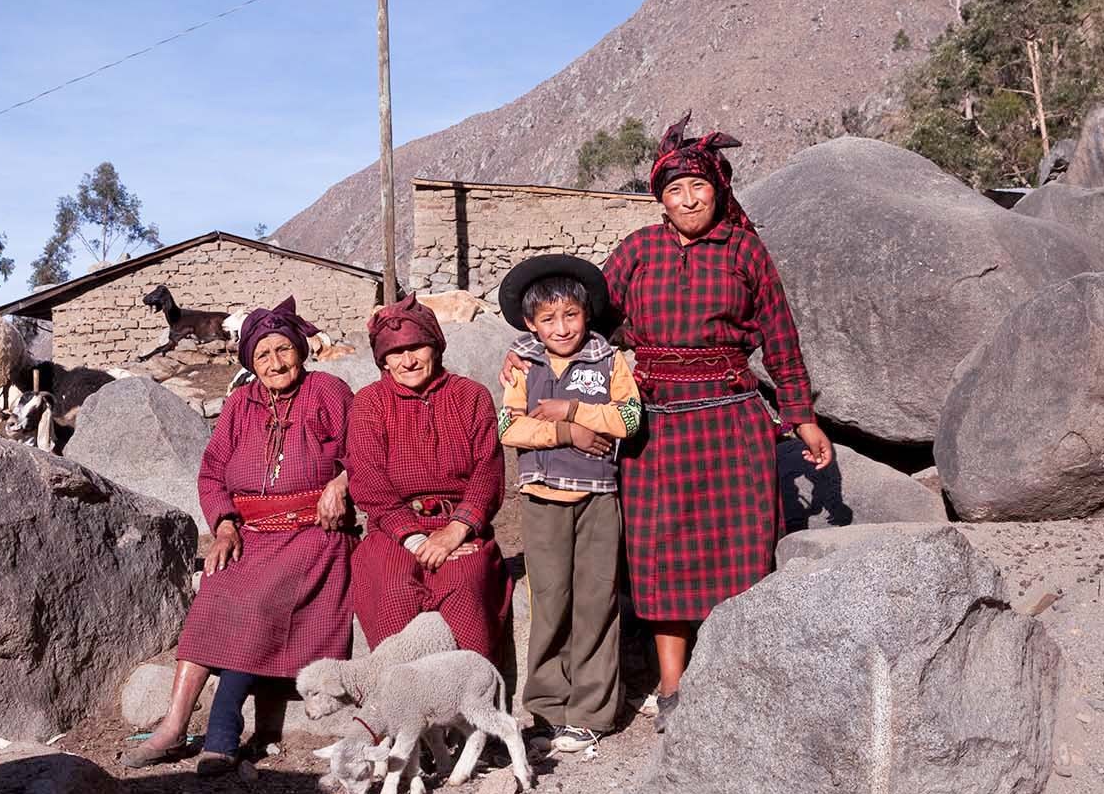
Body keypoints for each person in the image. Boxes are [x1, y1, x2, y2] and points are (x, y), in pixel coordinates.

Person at [587, 114, 830, 732]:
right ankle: (672, 688)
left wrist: (801, 418)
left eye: (698, 187)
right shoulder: (638, 251)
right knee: (659, 553)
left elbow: (780, 339)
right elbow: (584, 320)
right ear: (659, 198)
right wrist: (536, 355)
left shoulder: (746, 250)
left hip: (732, 420)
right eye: (674, 190)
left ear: (718, 190)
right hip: (655, 425)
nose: (687, 199)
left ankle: (737, 675)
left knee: (741, 550)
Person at [121, 298, 355, 775]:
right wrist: (224, 523)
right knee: (217, 589)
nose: (275, 362)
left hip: (311, 533)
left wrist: (341, 482)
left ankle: (223, 733)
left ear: (301, 351)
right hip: (250, 532)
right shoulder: (239, 403)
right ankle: (174, 724)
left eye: (283, 350)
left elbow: (365, 450)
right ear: (250, 361)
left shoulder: (328, 390)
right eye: (263, 354)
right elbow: (211, 474)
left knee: (255, 598)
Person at [496, 255, 641, 753]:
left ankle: (590, 712)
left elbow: (630, 418)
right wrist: (569, 432)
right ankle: (546, 706)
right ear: (531, 324)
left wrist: (575, 408)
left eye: (571, 315)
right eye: (548, 319)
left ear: (586, 313)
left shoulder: (609, 360)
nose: (562, 327)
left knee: (597, 601)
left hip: (599, 499)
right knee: (550, 601)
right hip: (541, 500)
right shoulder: (522, 363)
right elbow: (510, 426)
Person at [345, 294, 511, 658]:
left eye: (417, 347)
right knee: (393, 589)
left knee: (463, 586)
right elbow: (368, 480)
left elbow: (488, 472)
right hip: (394, 530)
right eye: (395, 352)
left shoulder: (472, 396)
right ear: (383, 361)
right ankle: (401, 704)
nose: (408, 360)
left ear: (435, 346)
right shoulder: (369, 403)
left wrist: (456, 531)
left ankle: (466, 703)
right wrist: (416, 541)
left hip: (460, 527)